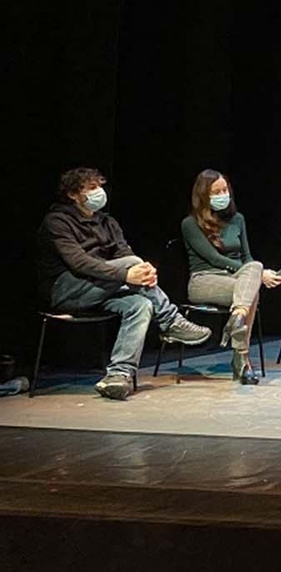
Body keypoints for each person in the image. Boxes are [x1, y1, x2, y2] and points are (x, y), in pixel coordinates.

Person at [37, 167, 211, 400]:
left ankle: (119, 376)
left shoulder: (107, 222)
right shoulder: (56, 222)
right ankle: (170, 320)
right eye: (91, 188)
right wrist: (127, 274)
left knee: (140, 304)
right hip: (66, 290)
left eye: (99, 186)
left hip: (101, 289)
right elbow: (79, 262)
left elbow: (124, 251)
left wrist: (143, 272)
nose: (99, 192)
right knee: (131, 264)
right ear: (72, 195)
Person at [180, 169, 281, 384]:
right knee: (252, 286)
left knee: (253, 270)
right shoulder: (190, 223)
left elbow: (247, 257)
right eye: (216, 192)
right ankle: (242, 359)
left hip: (238, 280)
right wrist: (259, 275)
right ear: (203, 196)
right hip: (204, 280)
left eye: (225, 190)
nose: (222, 195)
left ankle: (238, 318)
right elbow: (213, 258)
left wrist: (255, 272)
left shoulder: (238, 219)